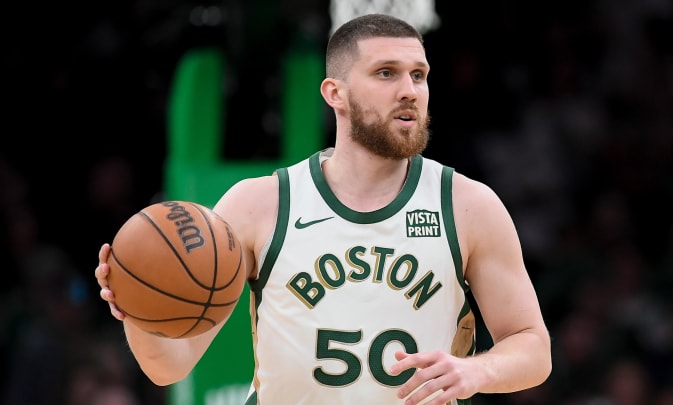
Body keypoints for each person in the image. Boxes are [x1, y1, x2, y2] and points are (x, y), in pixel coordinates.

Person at [95, 13, 552, 405]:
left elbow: (533, 348)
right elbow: (169, 368)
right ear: (335, 93)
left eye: (419, 74)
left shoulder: (468, 205)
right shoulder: (260, 204)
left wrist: (477, 371)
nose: (410, 90)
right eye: (386, 73)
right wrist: (136, 303)